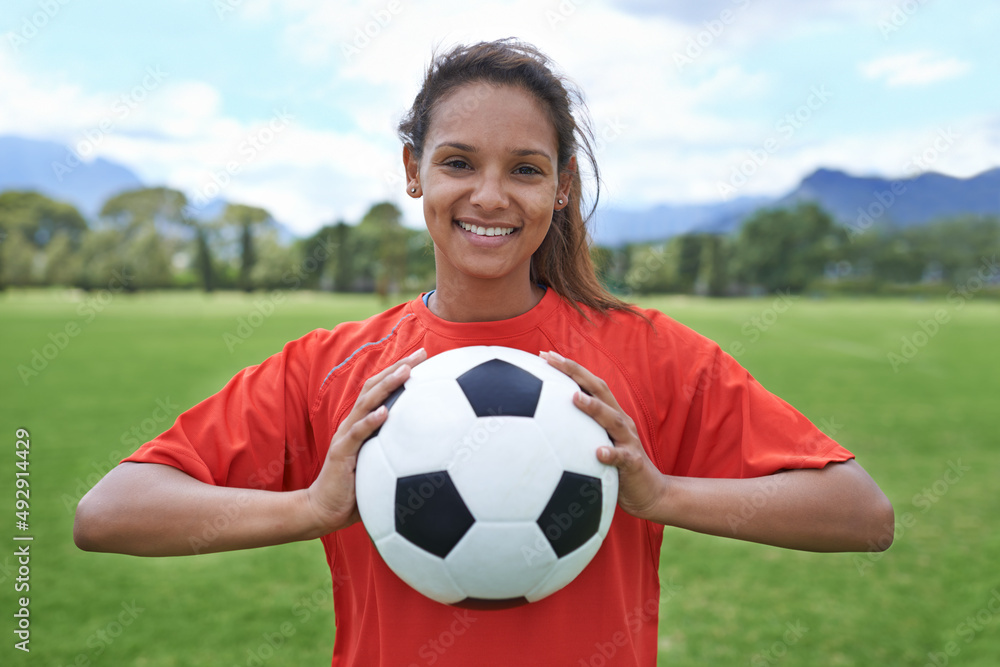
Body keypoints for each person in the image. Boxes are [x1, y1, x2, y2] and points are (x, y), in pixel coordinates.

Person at [74, 38, 894, 666]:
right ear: (413, 172)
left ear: (561, 185)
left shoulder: (650, 354)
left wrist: (661, 492)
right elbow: (107, 513)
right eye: (458, 163)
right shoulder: (330, 367)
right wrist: (311, 507)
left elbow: (862, 515)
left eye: (526, 169)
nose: (491, 196)